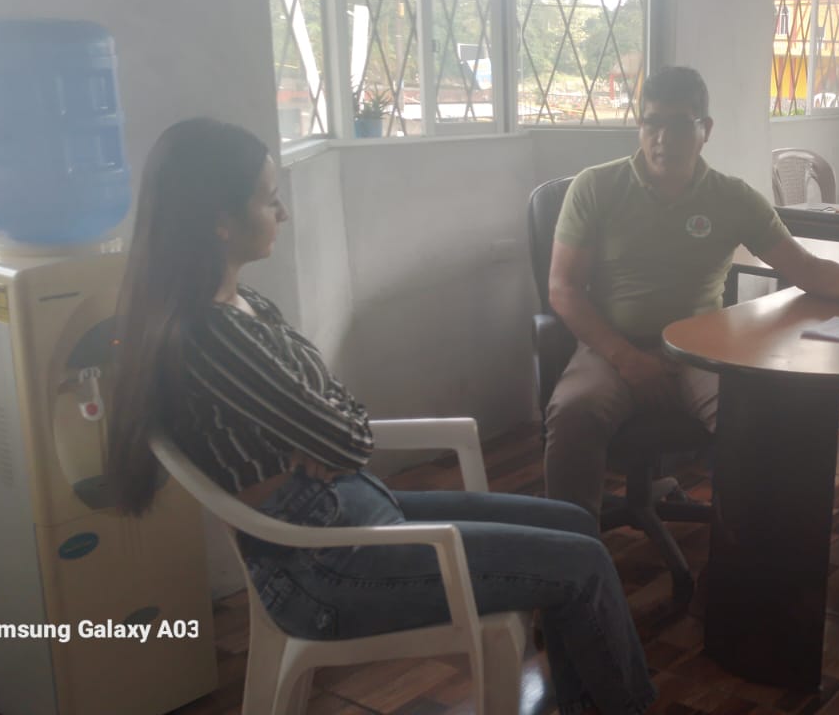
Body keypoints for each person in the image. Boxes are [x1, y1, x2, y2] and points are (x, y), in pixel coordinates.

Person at [104, 119, 654, 715]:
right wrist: (328, 435)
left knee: (575, 523)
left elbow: (334, 415)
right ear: (221, 221)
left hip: (349, 514)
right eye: (269, 199)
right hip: (326, 568)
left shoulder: (241, 304)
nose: (282, 213)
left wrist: (325, 434)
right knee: (583, 563)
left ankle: (583, 703)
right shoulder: (215, 340)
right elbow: (349, 438)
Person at [545, 66, 839, 522]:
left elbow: (804, 268)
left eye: (678, 124)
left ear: (705, 129)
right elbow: (563, 288)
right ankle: (569, 550)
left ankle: (742, 550)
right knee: (573, 413)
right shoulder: (597, 187)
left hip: (699, 349)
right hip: (611, 348)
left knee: (754, 422)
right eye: (651, 123)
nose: (662, 138)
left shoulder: (732, 198)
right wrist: (626, 358)